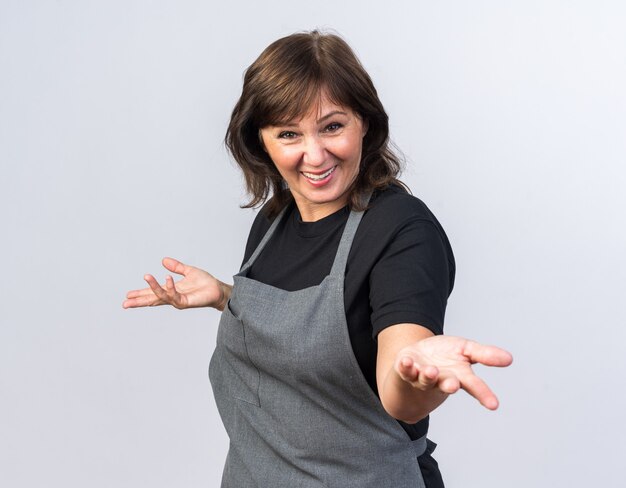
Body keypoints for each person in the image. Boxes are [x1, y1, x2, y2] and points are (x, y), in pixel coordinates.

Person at [123, 30, 512, 488]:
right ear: (261, 142)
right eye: (289, 133)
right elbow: (308, 336)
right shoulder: (274, 221)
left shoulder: (403, 231)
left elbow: (397, 383)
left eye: (332, 126)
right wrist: (228, 298)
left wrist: (415, 376)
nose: (315, 155)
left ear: (364, 121)